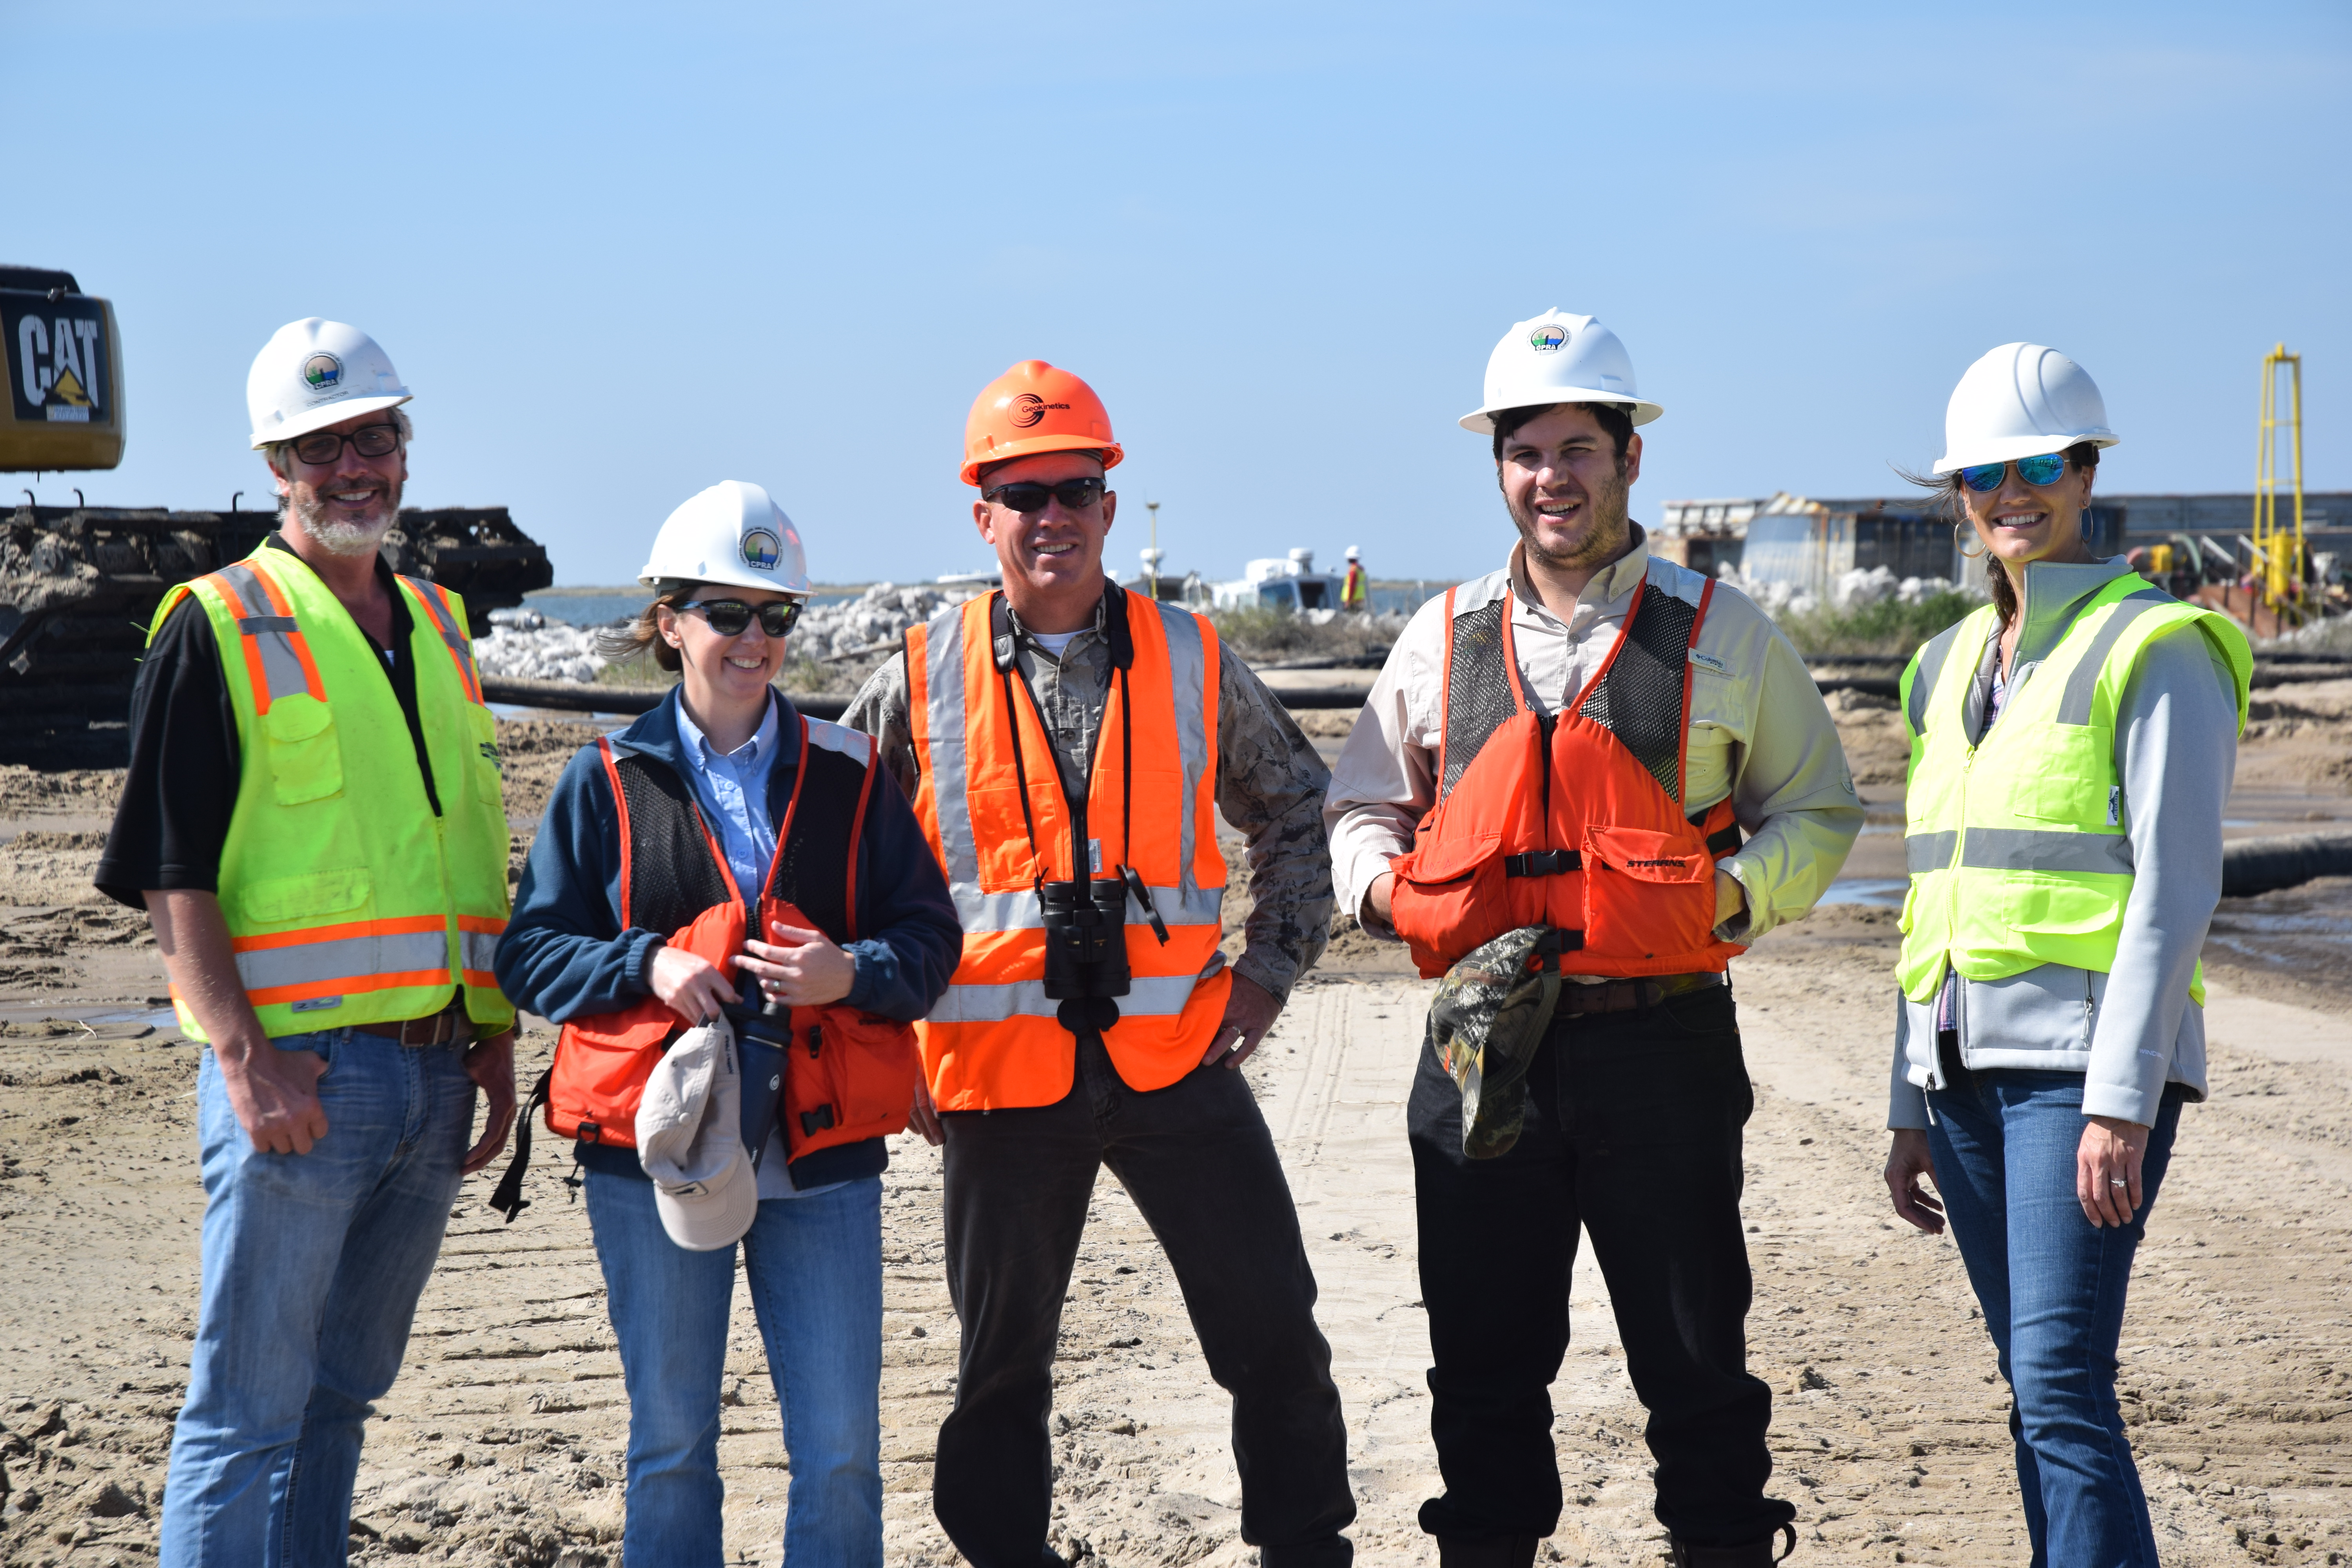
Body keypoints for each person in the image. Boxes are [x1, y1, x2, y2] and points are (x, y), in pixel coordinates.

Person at [1325, 309, 1863, 1568]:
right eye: (1525, 451)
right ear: (1498, 467)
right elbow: (1358, 804)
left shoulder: (1723, 632)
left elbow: (1821, 808)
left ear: (1629, 458)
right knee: (1481, 1368)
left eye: (1578, 446)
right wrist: (1385, 897)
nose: (1550, 476)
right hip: (1478, 1048)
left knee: (1694, 1365)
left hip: (1658, 1042)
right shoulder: (1439, 633)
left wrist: (1727, 902)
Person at [843, 359, 1355, 1566]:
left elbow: (1298, 811)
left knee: (1275, 1333)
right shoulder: (915, 677)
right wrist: (879, 1041)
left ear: (1109, 503)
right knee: (998, 1371)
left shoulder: (1187, 656)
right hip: (995, 1078)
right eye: (1021, 494)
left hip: (1176, 1060)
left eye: (1074, 487)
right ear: (983, 515)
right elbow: (833, 875)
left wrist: (1268, 972)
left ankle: (1305, 1552)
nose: (1050, 515)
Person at [92, 318, 520, 1565]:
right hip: (300, 1080)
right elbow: (169, 862)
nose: (355, 468)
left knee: (340, 1399)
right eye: (322, 445)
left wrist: (487, 1038)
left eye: (375, 438)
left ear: (403, 448)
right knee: (244, 1412)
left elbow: (455, 854)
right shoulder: (215, 622)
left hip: (436, 1075)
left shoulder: (440, 628)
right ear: (275, 462)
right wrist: (241, 1055)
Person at [492, 481, 962, 1564]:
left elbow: (930, 942)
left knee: (842, 1450)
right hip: (657, 1156)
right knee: (669, 1444)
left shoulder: (851, 773)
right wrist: (644, 963)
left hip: (826, 1154)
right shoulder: (603, 779)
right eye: (728, 612)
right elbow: (528, 953)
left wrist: (851, 973)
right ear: (669, 624)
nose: (756, 640)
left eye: (777, 616)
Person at [1881, 344, 2250, 1568]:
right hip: (1958, 1073)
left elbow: (2175, 889)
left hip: (2074, 1081)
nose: (2011, 493)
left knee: (2058, 1384)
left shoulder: (2155, 647)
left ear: (2085, 471)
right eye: (1985, 474)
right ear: (1959, 492)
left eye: (2038, 465)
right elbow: (1931, 891)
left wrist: (2119, 1099)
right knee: (2030, 1389)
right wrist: (1904, 1100)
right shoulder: (1941, 667)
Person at [1341, 544, 1370, 611]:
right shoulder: (1360, 570)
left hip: (1353, 601)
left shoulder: (1353, 570)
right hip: (1359, 600)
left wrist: (1349, 601)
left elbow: (1352, 586)